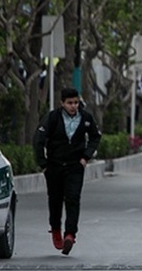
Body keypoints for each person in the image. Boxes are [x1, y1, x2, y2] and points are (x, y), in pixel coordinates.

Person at [33, 88, 102, 256]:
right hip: (54, 166)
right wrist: (43, 164)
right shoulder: (52, 118)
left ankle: (70, 234)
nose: (73, 106)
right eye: (70, 103)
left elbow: (95, 137)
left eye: (76, 103)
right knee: (55, 200)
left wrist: (85, 157)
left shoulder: (86, 118)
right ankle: (55, 229)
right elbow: (38, 140)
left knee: (73, 199)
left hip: (75, 166)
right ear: (62, 103)